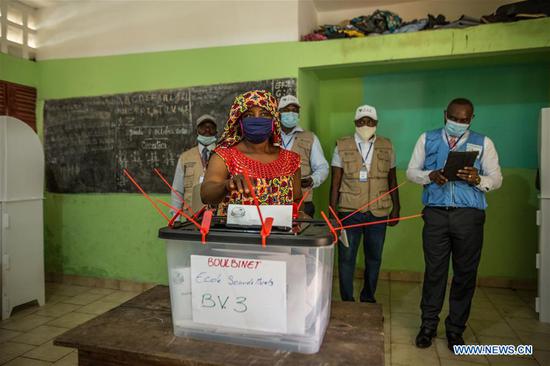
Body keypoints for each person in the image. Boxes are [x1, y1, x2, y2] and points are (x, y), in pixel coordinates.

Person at [406, 98, 502, 351]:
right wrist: (430, 175)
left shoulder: (484, 142)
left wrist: (477, 178)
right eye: (454, 118)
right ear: (444, 115)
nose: (458, 123)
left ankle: (456, 330)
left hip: (469, 217)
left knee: (465, 275)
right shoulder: (427, 138)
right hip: (436, 215)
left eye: (464, 119)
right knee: (434, 272)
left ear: (472, 118)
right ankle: (428, 326)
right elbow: (411, 171)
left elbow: (497, 178)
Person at [330, 104, 400, 303]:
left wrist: (397, 208)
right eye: (361, 121)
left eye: (369, 121)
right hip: (349, 211)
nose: (365, 125)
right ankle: (347, 300)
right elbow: (335, 182)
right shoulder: (341, 146)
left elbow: (392, 180)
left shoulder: (387, 146)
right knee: (346, 258)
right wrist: (333, 214)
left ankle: (368, 297)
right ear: (355, 123)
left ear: (376, 123)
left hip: (378, 212)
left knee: (374, 257)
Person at [201, 90, 303, 215]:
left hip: (279, 234)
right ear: (239, 122)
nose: (257, 119)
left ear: (274, 120)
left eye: (264, 114)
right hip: (234, 233)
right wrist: (226, 185)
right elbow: (206, 195)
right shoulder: (224, 156)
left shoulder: (291, 160)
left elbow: (296, 200)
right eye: (248, 115)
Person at [278, 95, 329, 217]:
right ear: (278, 113)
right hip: (274, 201)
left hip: (303, 201)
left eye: (295, 110)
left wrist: (313, 179)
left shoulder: (310, 137)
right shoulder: (269, 137)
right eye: (286, 110)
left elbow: (323, 167)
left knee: (302, 233)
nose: (291, 113)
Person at [171, 114, 218, 216]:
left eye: (211, 127)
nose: (207, 130)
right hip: (192, 216)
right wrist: (176, 217)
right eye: (203, 127)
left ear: (216, 131)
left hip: (218, 216)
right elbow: (177, 190)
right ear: (197, 131)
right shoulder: (185, 157)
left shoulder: (224, 154)